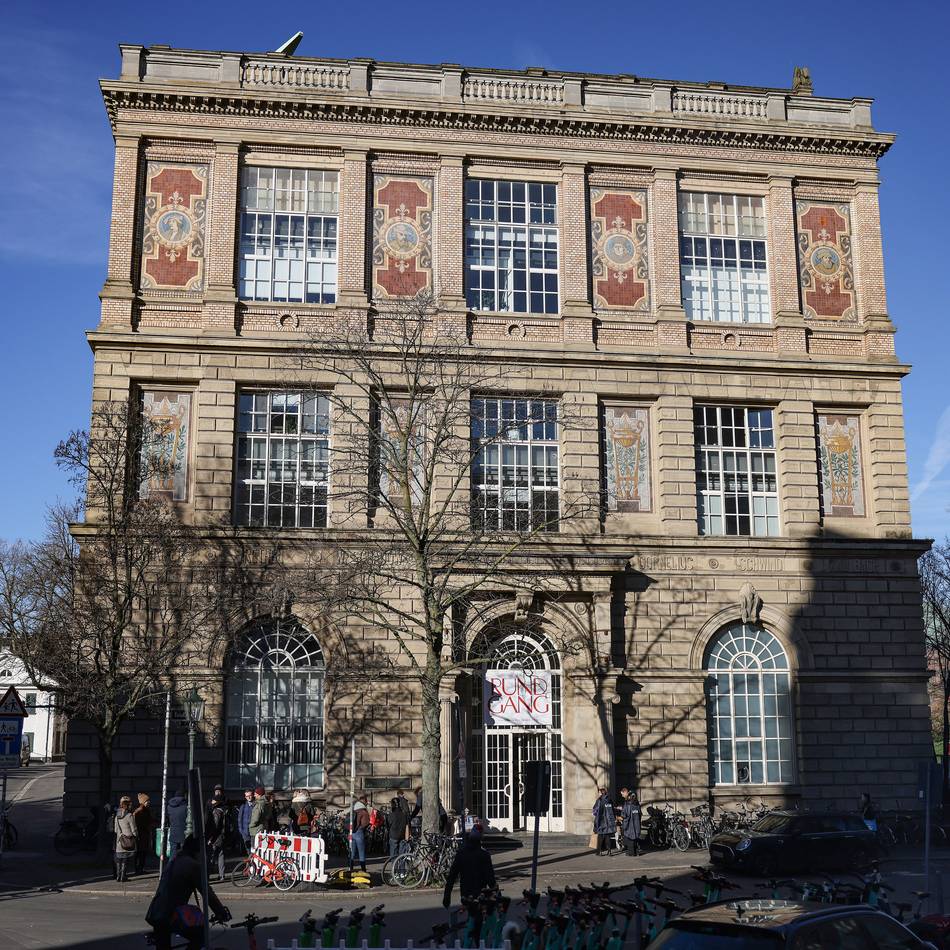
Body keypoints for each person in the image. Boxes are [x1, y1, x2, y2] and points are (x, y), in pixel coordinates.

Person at [146, 834, 230, 950]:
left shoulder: (176, 859)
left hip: (156, 912)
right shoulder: (192, 866)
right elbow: (207, 893)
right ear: (198, 851)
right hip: (169, 914)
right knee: (200, 936)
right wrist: (221, 912)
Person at [442, 825, 496, 907]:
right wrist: (496, 892)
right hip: (480, 893)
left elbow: (452, 875)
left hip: (465, 893)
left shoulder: (461, 853)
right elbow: (490, 877)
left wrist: (447, 895)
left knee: (471, 914)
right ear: (481, 838)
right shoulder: (484, 855)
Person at [114, 795, 137, 882]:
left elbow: (116, 830)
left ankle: (118, 876)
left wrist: (121, 835)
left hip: (120, 840)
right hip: (128, 839)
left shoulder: (117, 816)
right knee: (125, 859)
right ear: (127, 805)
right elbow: (133, 828)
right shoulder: (129, 815)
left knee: (119, 858)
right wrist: (135, 836)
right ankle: (123, 876)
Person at [133, 792, 156, 875]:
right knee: (140, 853)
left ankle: (140, 869)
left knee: (142, 853)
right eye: (147, 801)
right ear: (143, 802)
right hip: (141, 835)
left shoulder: (146, 811)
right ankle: (138, 869)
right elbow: (138, 824)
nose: (148, 802)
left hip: (144, 835)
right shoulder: (139, 811)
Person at [206, 794, 227, 883]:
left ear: (216, 802)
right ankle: (222, 875)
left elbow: (215, 826)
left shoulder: (216, 811)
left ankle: (207, 876)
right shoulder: (224, 810)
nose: (212, 802)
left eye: (213, 800)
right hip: (222, 836)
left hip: (215, 838)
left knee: (211, 857)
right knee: (221, 856)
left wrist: (210, 838)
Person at [619, 787, 642, 856]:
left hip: (629, 825)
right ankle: (636, 852)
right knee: (635, 838)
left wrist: (619, 818)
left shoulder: (627, 804)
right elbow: (640, 814)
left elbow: (624, 815)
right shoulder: (637, 805)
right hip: (636, 824)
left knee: (630, 839)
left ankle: (631, 853)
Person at [592, 787, 615, 856]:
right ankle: (609, 851)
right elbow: (612, 810)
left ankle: (599, 851)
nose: (598, 794)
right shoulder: (609, 800)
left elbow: (595, 811)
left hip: (601, 821)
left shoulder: (599, 800)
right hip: (609, 821)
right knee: (608, 836)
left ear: (601, 793)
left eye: (599, 792)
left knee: (600, 837)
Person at [351, 795, 371, 872]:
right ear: (364, 801)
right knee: (361, 853)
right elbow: (366, 823)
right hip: (359, 832)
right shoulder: (363, 811)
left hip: (352, 833)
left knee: (352, 853)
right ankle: (363, 870)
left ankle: (350, 868)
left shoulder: (353, 809)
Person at [166, 789, 188, 856]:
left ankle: (170, 866)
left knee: (173, 855)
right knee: (184, 855)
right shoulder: (186, 807)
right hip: (183, 834)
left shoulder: (169, 806)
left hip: (173, 834)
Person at [237, 788, 254, 853]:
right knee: (248, 850)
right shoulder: (243, 806)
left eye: (250, 795)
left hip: (253, 832)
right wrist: (241, 831)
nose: (249, 797)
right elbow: (239, 819)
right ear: (245, 797)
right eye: (247, 796)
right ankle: (250, 862)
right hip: (245, 832)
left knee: (254, 850)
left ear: (252, 795)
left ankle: (251, 862)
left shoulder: (255, 805)